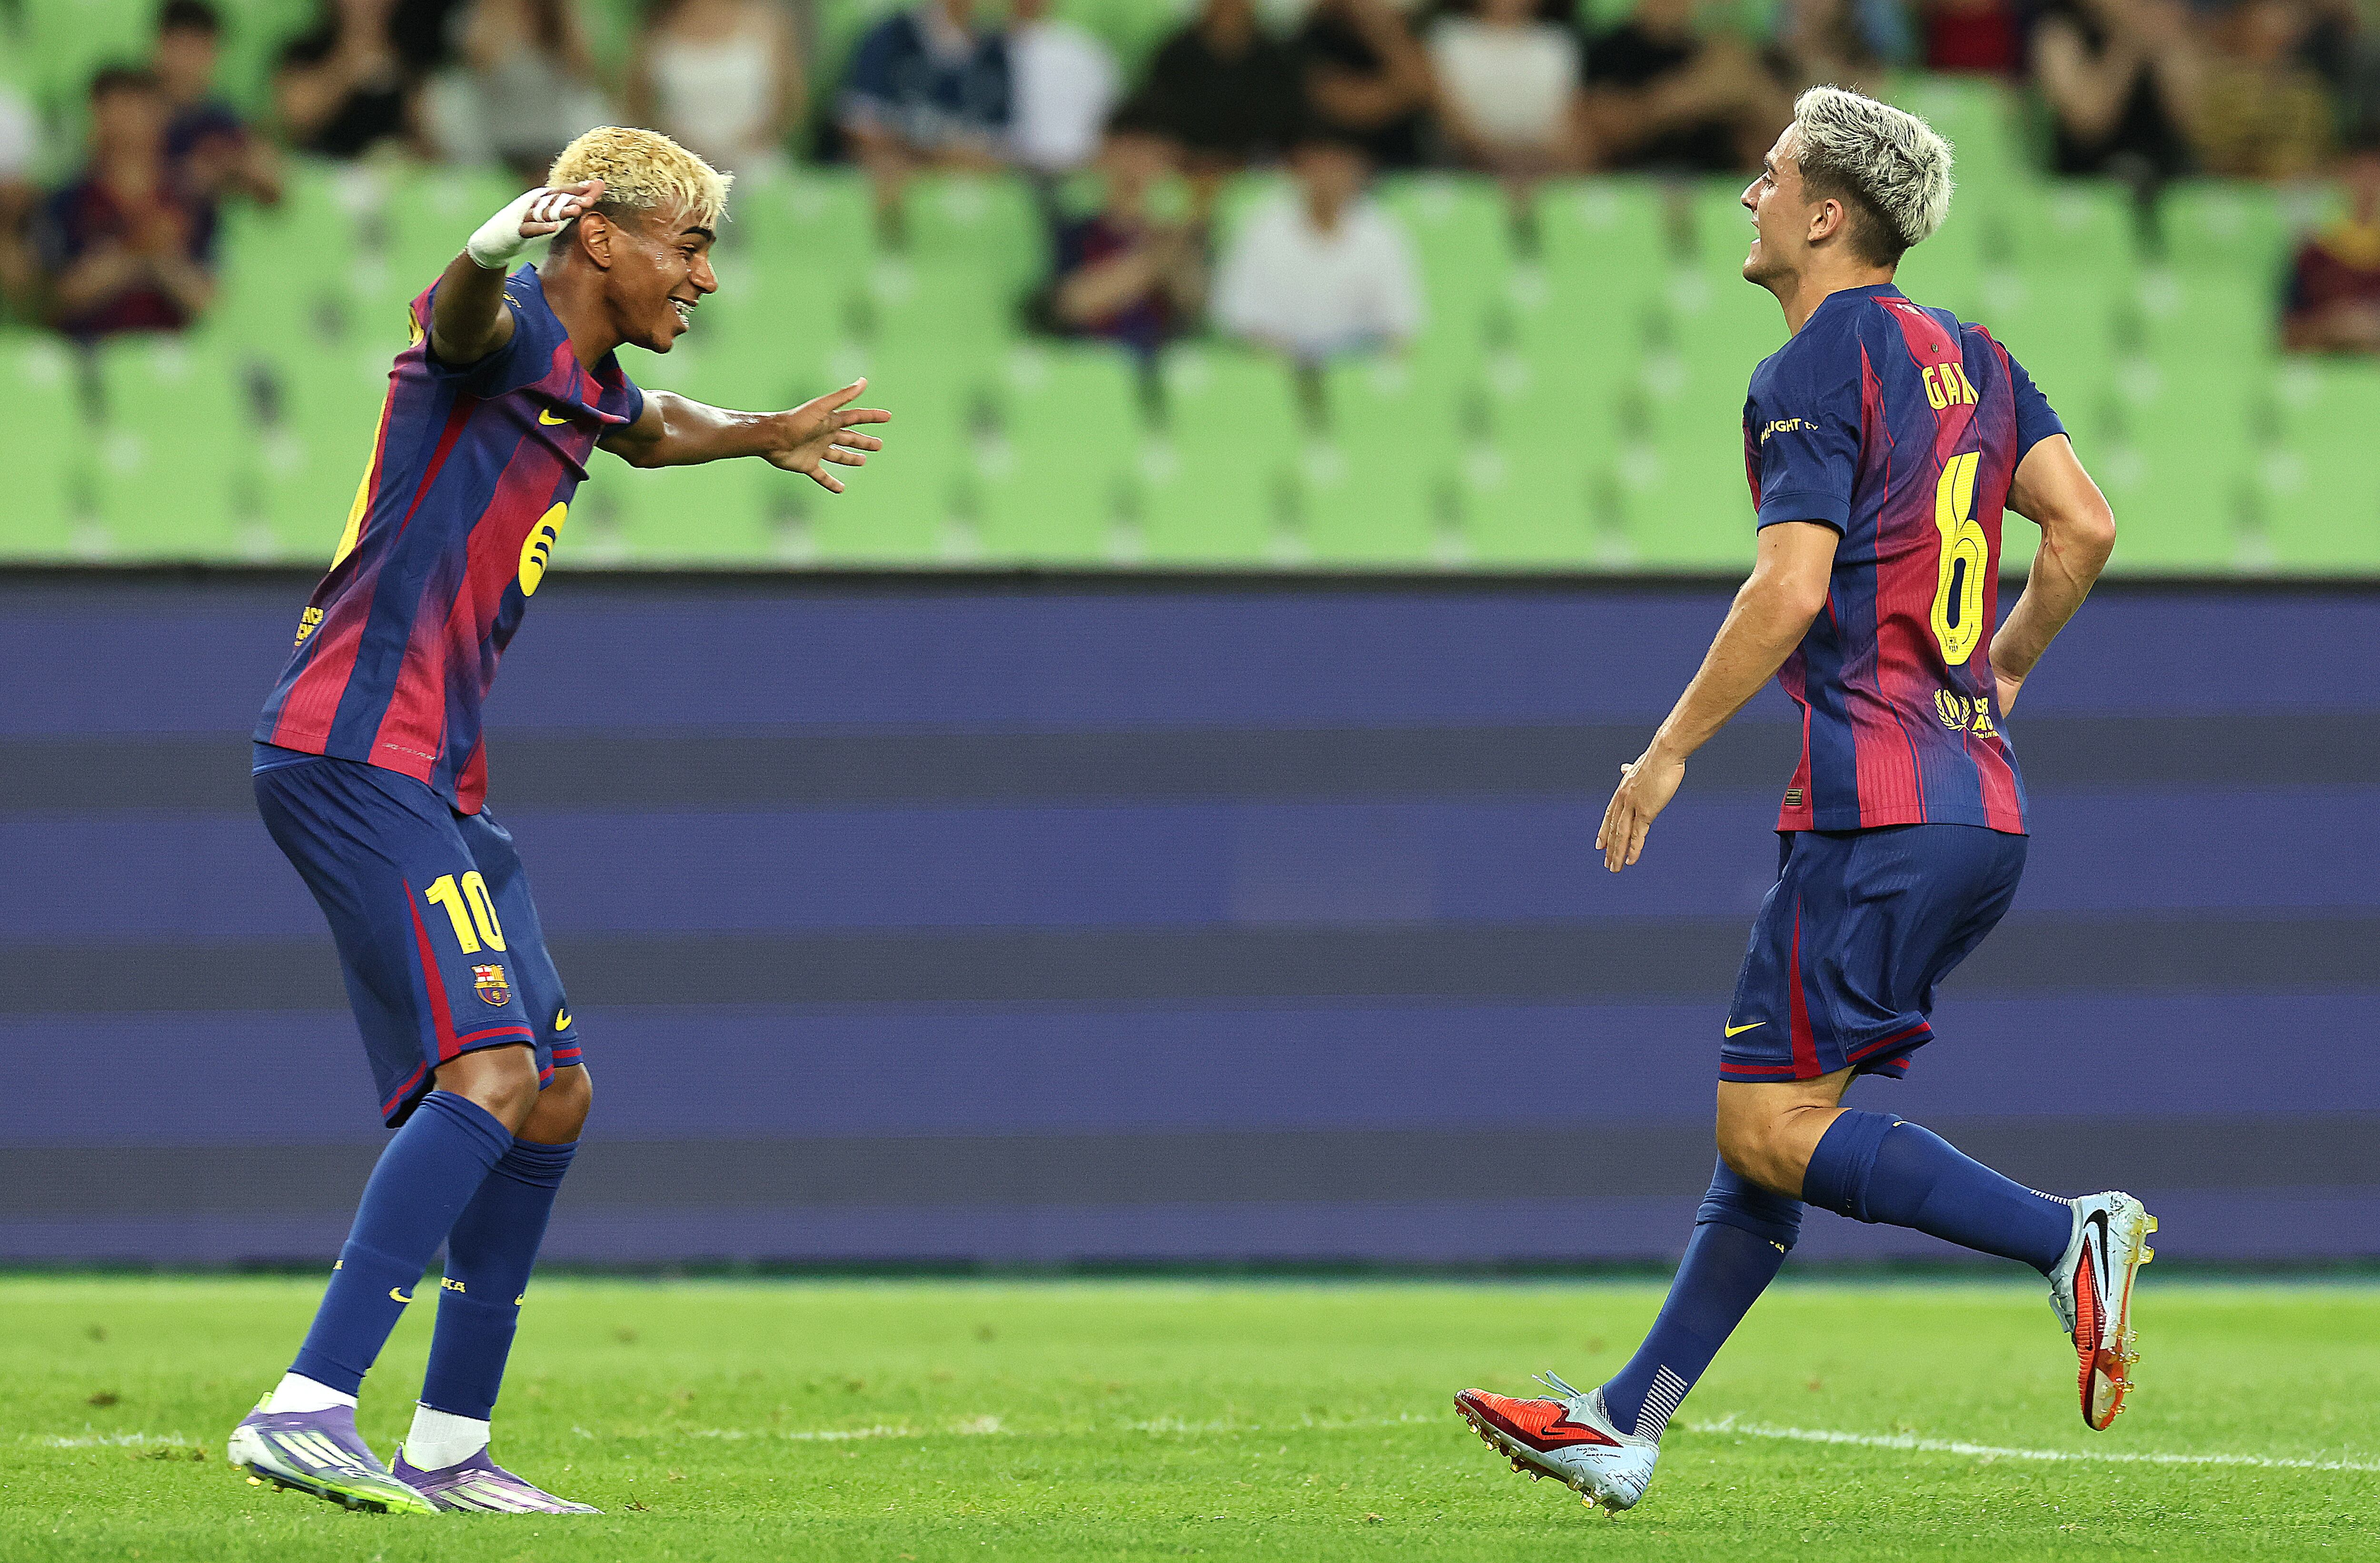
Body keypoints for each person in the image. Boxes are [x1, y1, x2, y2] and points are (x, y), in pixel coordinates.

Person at [1453, 86, 2144, 1514]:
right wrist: (1996, 669)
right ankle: (1622, 1420)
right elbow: (2084, 522)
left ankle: (2061, 1232)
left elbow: (1788, 585)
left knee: (1766, 1123)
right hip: (1975, 808)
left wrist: (1664, 750)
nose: (1745, 196)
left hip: (1874, 804)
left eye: (1766, 176)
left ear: (1826, 213)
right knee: (1776, 1119)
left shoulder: (1814, 364)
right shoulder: (1974, 356)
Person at [223, 126, 890, 1516]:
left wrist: (766, 433)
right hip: (354, 751)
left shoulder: (581, 381)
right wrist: (486, 241)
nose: (700, 277)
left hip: (439, 784)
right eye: (687, 245)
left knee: (556, 1087)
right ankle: (306, 1403)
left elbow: (650, 429)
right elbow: (462, 320)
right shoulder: (507, 325)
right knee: (488, 1072)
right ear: (598, 236)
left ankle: (450, 1442)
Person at [1211, 122, 1421, 363]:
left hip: (1355, 366)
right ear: (1300, 168)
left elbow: (1399, 328)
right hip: (1277, 366)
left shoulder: (1383, 231)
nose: (1328, 177)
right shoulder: (1262, 227)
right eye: (1319, 165)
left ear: (1358, 170)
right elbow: (1243, 321)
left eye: (1338, 166)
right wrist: (1300, 370)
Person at [39, 68, 215, 339]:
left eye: (133, 107)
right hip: (88, 356)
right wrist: (134, 250)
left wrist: (160, 261)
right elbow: (52, 300)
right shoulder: (67, 201)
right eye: (109, 108)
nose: (121, 121)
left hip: (172, 362)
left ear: (160, 115)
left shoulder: (189, 200)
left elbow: (206, 299)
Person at [1045, 109, 1205, 358]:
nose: (1139, 169)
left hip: (1161, 365)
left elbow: (1193, 306)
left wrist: (1177, 246)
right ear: (1106, 153)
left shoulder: (1177, 231)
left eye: (1154, 157)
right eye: (1132, 152)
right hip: (1086, 364)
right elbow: (1070, 304)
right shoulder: (1074, 225)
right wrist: (1156, 261)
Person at [837, 0, 1011, 222]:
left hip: (964, 185)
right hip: (898, 182)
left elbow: (999, 149)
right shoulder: (891, 37)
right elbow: (860, 129)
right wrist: (935, 153)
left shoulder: (995, 53)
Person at [1582, 0, 1793, 173]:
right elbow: (1600, 133)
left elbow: (1783, 142)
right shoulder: (1607, 51)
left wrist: (1753, 90)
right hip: (1633, 189)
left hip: (1713, 189)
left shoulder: (1716, 50)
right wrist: (1689, 94)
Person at [154, 0, 283, 259]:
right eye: (182, 46)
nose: (188, 61)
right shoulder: (133, 108)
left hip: (195, 261)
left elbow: (273, 187)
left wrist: (229, 165)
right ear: (160, 46)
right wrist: (187, 175)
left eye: (200, 49)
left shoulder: (221, 118)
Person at [434, 0, 614, 182]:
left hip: (554, 134)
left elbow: (583, 72)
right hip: (499, 137)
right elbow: (480, 65)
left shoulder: (560, 18)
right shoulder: (477, 16)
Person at [627, 0, 803, 180]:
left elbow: (789, 99)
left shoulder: (766, 22)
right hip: (678, 170)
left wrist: (748, 142)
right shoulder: (657, 26)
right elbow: (637, 106)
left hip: (756, 166)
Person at [2032, 0, 2201, 184]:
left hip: (2169, 182)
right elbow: (2087, 123)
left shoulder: (2166, 30)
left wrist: (2171, 47)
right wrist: (2127, 46)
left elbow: (2198, 125)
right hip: (2088, 185)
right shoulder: (2060, 32)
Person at [1139, 0, 1301, 187]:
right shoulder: (1176, 57)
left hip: (1254, 180)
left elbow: (1285, 130)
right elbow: (1155, 120)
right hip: (1180, 176)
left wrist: (1234, 164)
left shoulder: (1275, 62)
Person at [1429, 0, 1590, 179]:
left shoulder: (1557, 43)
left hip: (1545, 172)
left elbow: (1568, 126)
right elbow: (1451, 123)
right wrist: (1501, 159)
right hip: (1465, 172)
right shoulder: (1450, 38)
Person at [2191, 0, 2336, 181]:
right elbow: (2217, 154)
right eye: (2267, 14)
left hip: (2299, 195)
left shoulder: (2308, 87)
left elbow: (2321, 150)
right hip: (2239, 194)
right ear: (2245, 23)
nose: (2279, 26)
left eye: (2286, 15)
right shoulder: (2224, 82)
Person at [1294, 0, 1433, 171]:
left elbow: (1426, 86)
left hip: (1407, 171)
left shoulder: (1397, 32)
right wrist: (1404, 88)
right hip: (1342, 169)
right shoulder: (1312, 38)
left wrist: (1385, 32)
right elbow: (1353, 107)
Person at [275, 0, 421, 159]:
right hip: (318, 172)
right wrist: (350, 60)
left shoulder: (409, 56)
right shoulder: (307, 52)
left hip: (389, 176)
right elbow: (293, 122)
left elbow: (423, 138)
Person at [2283, 138, 2380, 351]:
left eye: (2376, 173)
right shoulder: (2315, 255)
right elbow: (2286, 336)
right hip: (2328, 378)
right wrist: (2332, 327)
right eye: (2359, 172)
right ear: (2341, 177)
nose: (2368, 185)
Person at [1006, 0, 1121, 178]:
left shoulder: (1084, 52)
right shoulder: (985, 51)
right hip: (1006, 171)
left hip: (1076, 170)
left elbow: (1108, 116)